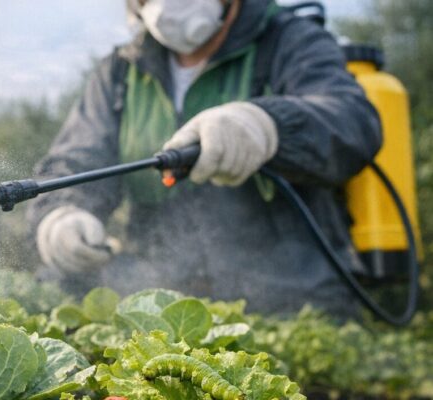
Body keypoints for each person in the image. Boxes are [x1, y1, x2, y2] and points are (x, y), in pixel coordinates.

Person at [26, 0, 381, 316]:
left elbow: (354, 125)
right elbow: (75, 160)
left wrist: (269, 124)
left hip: (293, 304)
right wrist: (62, 215)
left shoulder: (289, 39)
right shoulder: (121, 71)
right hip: (160, 306)